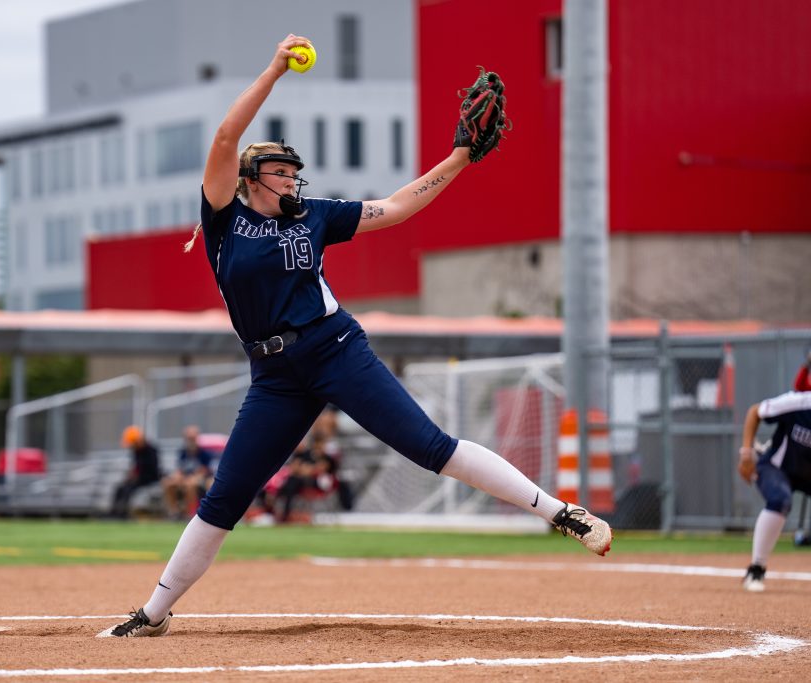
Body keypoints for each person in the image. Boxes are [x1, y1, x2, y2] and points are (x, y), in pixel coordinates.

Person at [102, 35, 612, 639]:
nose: (292, 181)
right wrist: (273, 70)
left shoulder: (316, 216)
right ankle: (153, 614)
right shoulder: (224, 219)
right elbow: (222, 140)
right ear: (249, 179)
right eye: (280, 173)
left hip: (334, 348)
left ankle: (561, 512)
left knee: (428, 445)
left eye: (296, 173)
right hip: (273, 377)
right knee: (225, 497)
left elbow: (395, 208)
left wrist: (459, 159)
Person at [736, 390, 811, 592]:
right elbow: (754, 412)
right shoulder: (798, 403)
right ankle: (756, 568)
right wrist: (746, 454)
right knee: (780, 498)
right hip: (777, 468)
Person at [161, 425, 215, 520]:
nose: (190, 441)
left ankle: (190, 513)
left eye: (192, 438)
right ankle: (174, 512)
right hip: (185, 478)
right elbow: (180, 470)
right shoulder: (183, 453)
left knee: (190, 484)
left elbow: (204, 471)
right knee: (168, 484)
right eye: (188, 438)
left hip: (200, 480)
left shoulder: (204, 453)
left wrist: (192, 477)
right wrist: (176, 477)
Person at [110, 425, 161, 519]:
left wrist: (136, 476)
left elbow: (151, 470)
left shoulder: (152, 450)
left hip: (149, 478)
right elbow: (136, 467)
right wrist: (131, 476)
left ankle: (123, 514)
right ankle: (113, 513)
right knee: (119, 488)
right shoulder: (136, 451)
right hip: (138, 478)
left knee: (128, 490)